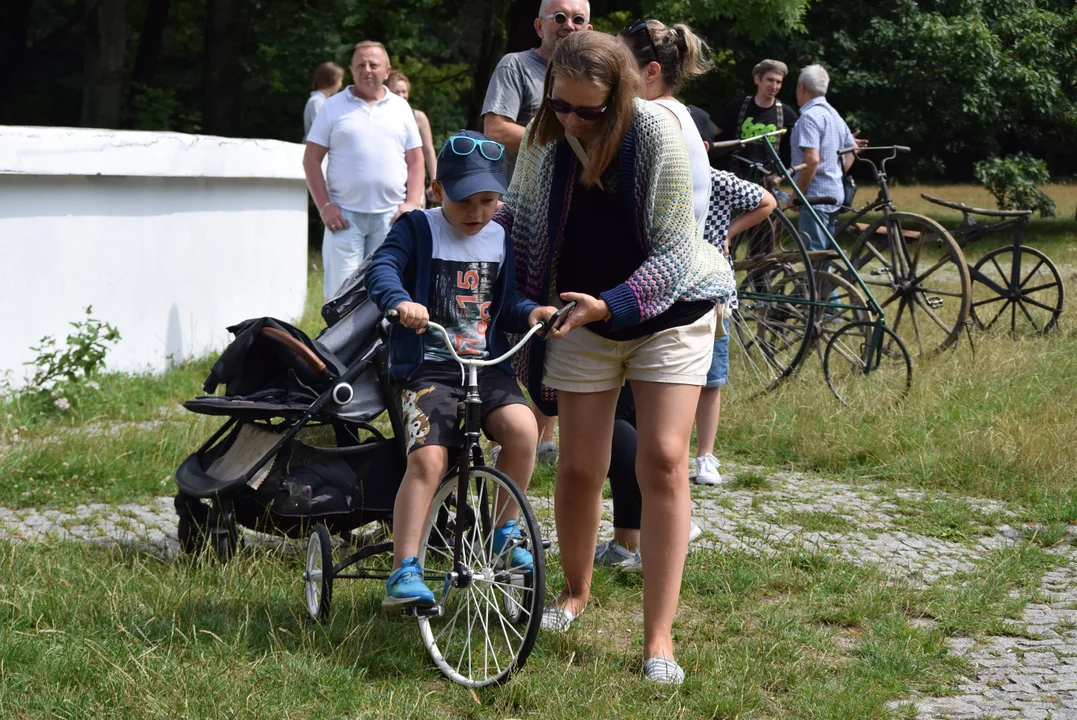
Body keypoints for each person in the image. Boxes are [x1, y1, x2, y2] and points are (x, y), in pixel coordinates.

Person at [501, 31, 736, 686]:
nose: (572, 120)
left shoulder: (657, 134)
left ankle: (658, 639)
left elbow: (674, 250)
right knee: (578, 467)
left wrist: (610, 304)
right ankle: (574, 593)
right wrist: (516, 298)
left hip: (670, 311)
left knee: (663, 458)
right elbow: (518, 225)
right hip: (578, 316)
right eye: (561, 106)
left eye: (588, 111)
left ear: (621, 96)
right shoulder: (546, 136)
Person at [366, 130, 557, 608]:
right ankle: (404, 567)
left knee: (523, 429)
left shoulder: (500, 236)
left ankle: (501, 531)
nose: (476, 212)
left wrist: (530, 311)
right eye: (464, 200)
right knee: (430, 459)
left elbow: (505, 301)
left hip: (485, 368)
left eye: (488, 200)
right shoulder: (417, 228)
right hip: (428, 367)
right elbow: (382, 268)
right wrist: (402, 301)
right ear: (437, 191)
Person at [482, 0, 592, 463]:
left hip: (572, 217)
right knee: (512, 314)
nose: (568, 26)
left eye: (578, 19)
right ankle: (505, 418)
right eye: (559, 17)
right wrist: (562, 135)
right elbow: (494, 127)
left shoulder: (594, 69)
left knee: (556, 315)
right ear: (539, 24)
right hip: (516, 212)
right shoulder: (516, 66)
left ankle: (543, 435)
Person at [304, 41, 425, 300]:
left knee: (388, 293)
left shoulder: (401, 107)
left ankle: (384, 343)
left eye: (373, 65)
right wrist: (324, 206)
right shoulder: (333, 106)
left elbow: (416, 160)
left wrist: (412, 203)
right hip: (343, 219)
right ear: (351, 69)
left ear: (387, 70)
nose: (367, 70)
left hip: (390, 218)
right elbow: (311, 160)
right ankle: (337, 342)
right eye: (360, 64)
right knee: (341, 297)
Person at [790, 64, 858, 252]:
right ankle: (826, 282)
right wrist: (837, 172)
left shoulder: (809, 117)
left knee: (814, 254)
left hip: (815, 197)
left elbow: (811, 160)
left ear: (801, 87)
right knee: (825, 253)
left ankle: (817, 283)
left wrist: (798, 194)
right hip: (835, 193)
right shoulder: (834, 114)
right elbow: (853, 148)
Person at [715, 59, 798, 173]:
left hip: (768, 181)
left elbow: (799, 148)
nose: (774, 86)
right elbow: (714, 131)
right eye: (770, 80)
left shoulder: (786, 113)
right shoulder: (738, 106)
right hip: (737, 177)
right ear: (757, 79)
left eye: (778, 82)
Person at [386, 71, 437, 206]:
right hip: (389, 183)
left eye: (404, 91)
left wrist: (435, 182)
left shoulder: (418, 117)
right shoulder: (380, 118)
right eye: (396, 92)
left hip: (414, 183)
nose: (401, 96)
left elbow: (429, 151)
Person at [303, 62, 344, 141]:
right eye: (340, 80)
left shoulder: (323, 101)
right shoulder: (317, 101)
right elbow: (322, 130)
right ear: (333, 81)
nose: (341, 84)